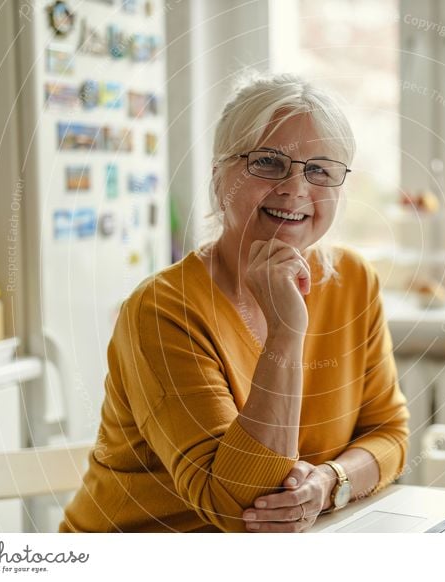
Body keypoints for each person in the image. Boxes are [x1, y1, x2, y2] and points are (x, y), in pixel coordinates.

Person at [59, 73, 409, 533]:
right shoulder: (161, 310)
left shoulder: (353, 280)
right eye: (267, 161)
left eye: (320, 169)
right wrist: (286, 333)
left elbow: (390, 435)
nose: (296, 189)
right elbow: (240, 506)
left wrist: (328, 481)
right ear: (219, 173)